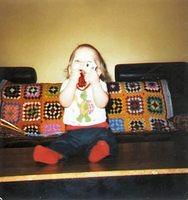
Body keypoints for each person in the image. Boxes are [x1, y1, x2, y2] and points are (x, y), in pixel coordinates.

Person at [33, 44, 117, 165]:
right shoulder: (68, 83)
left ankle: (98, 151)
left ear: (98, 71)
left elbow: (102, 103)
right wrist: (72, 81)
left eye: (89, 62)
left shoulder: (100, 84)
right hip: (73, 133)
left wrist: (95, 83)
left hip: (98, 130)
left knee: (108, 140)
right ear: (70, 69)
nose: (83, 65)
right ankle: (53, 153)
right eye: (78, 61)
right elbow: (64, 102)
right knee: (61, 143)